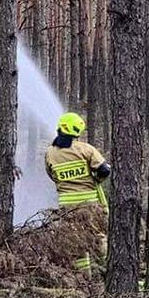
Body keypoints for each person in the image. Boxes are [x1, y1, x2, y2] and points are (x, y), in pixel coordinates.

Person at [44, 111, 111, 273]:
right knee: (98, 235)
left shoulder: (50, 153)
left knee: (76, 240)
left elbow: (52, 175)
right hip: (90, 203)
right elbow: (104, 170)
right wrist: (95, 180)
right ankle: (108, 269)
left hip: (67, 204)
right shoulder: (86, 149)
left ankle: (83, 278)